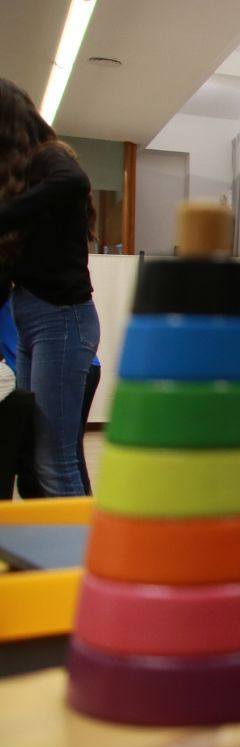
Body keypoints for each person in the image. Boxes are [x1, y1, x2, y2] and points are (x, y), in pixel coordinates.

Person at [0, 78, 99, 497]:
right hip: (32, 316)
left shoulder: (50, 159)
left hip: (61, 319)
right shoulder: (22, 174)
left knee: (54, 459)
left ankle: (79, 560)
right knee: (35, 454)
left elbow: (74, 182)